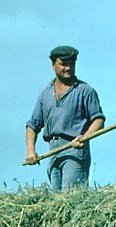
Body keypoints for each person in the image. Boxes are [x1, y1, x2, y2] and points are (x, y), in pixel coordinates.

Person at [25, 45, 106, 190]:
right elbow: (32, 125)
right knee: (56, 199)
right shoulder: (45, 93)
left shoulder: (85, 91)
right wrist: (31, 150)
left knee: (70, 196)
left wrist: (84, 137)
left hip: (74, 150)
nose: (68, 68)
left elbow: (98, 120)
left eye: (71, 64)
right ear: (53, 65)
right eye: (63, 64)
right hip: (53, 152)